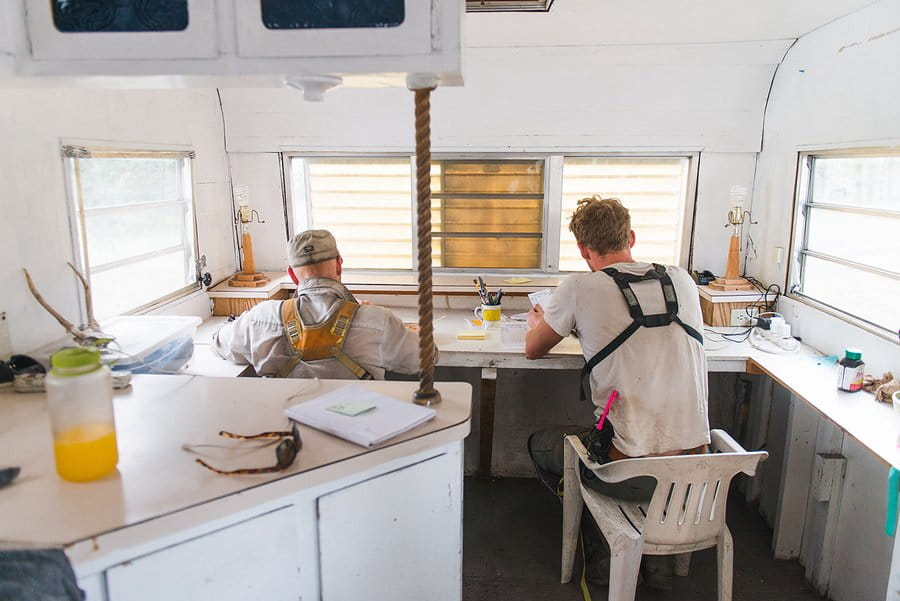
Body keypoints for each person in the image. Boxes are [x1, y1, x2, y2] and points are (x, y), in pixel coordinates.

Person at [524, 196, 710, 590]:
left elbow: (533, 349)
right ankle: (656, 562)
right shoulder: (683, 279)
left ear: (582, 250)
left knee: (544, 445)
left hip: (626, 473)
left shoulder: (578, 286)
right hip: (697, 473)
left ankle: (603, 560)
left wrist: (540, 320)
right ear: (631, 237)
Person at [212, 229, 423, 379]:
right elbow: (422, 359)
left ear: (292, 276)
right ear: (339, 265)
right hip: (359, 433)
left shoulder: (260, 318)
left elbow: (220, 343)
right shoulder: (377, 320)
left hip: (285, 434)